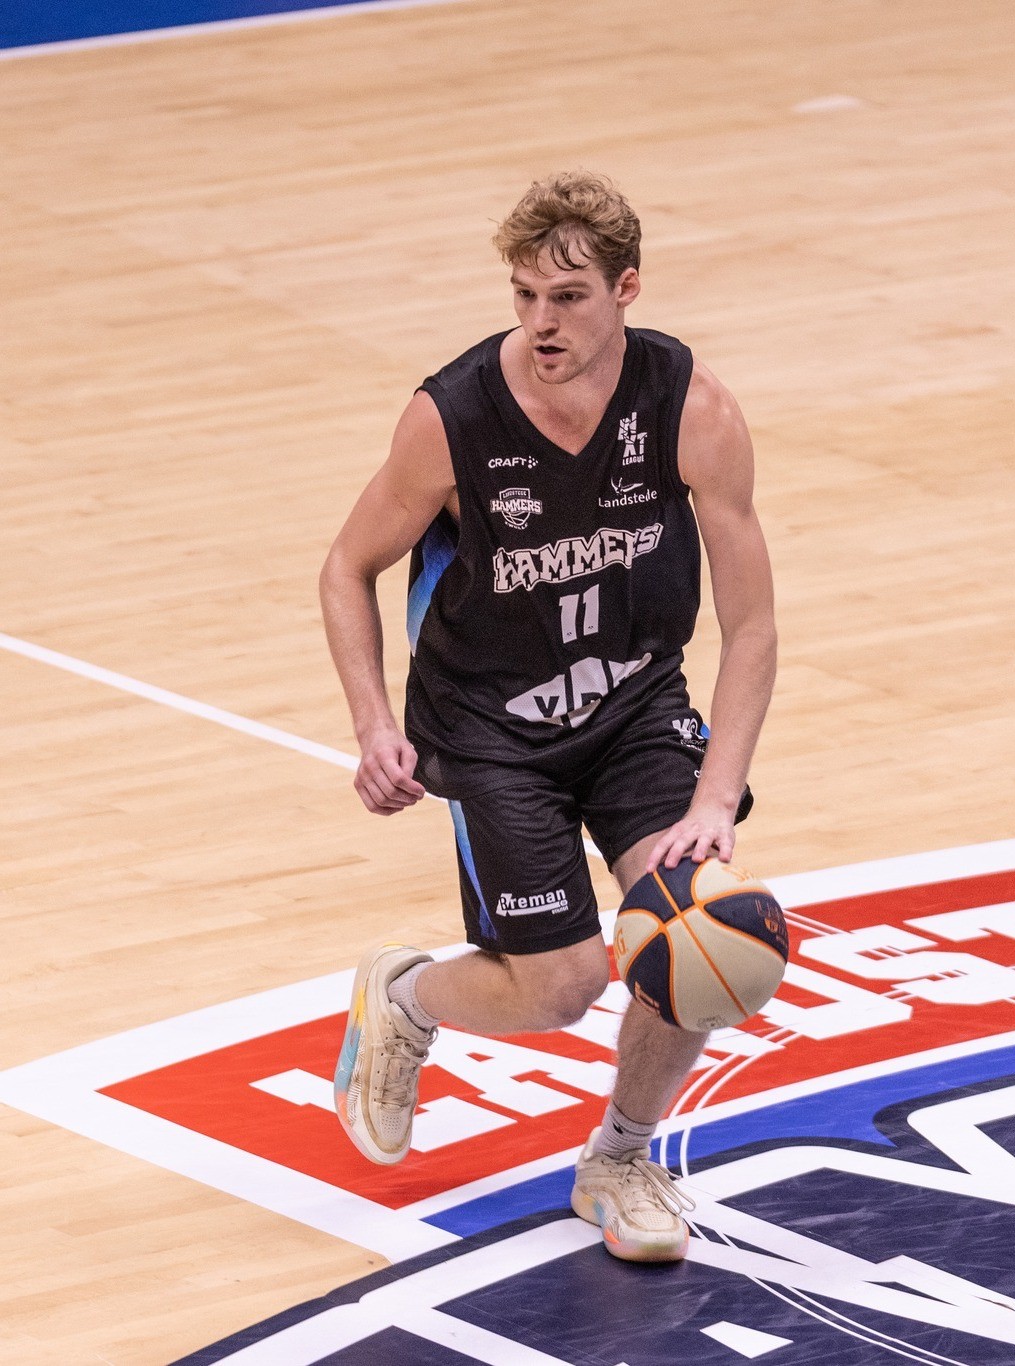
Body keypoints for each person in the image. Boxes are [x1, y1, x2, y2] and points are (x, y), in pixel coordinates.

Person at [319, 171, 776, 1263]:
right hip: (489, 729)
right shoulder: (453, 417)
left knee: (700, 935)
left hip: (632, 707)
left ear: (626, 289)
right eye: (524, 296)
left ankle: (620, 1158)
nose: (541, 323)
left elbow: (752, 624)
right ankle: (408, 996)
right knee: (563, 986)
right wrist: (374, 725)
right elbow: (345, 568)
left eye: (567, 297)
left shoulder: (691, 407)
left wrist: (716, 800)